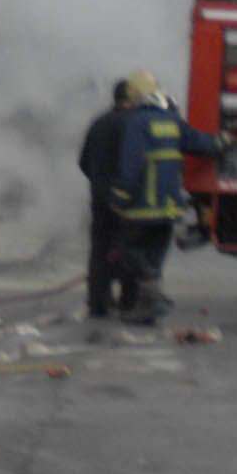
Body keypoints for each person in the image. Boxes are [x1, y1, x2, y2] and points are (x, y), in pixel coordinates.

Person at [85, 73, 219, 324]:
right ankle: (145, 309)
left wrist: (120, 196)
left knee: (128, 252)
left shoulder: (137, 123)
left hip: (143, 208)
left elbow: (131, 164)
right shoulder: (172, 121)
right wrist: (223, 141)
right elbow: (201, 143)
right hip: (168, 208)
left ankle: (149, 297)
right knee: (154, 257)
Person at [77, 79, 137, 320]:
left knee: (100, 249)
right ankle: (128, 301)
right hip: (126, 199)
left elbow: (83, 161)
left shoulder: (99, 123)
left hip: (100, 197)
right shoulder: (134, 125)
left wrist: (98, 182)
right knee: (129, 247)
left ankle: (98, 302)